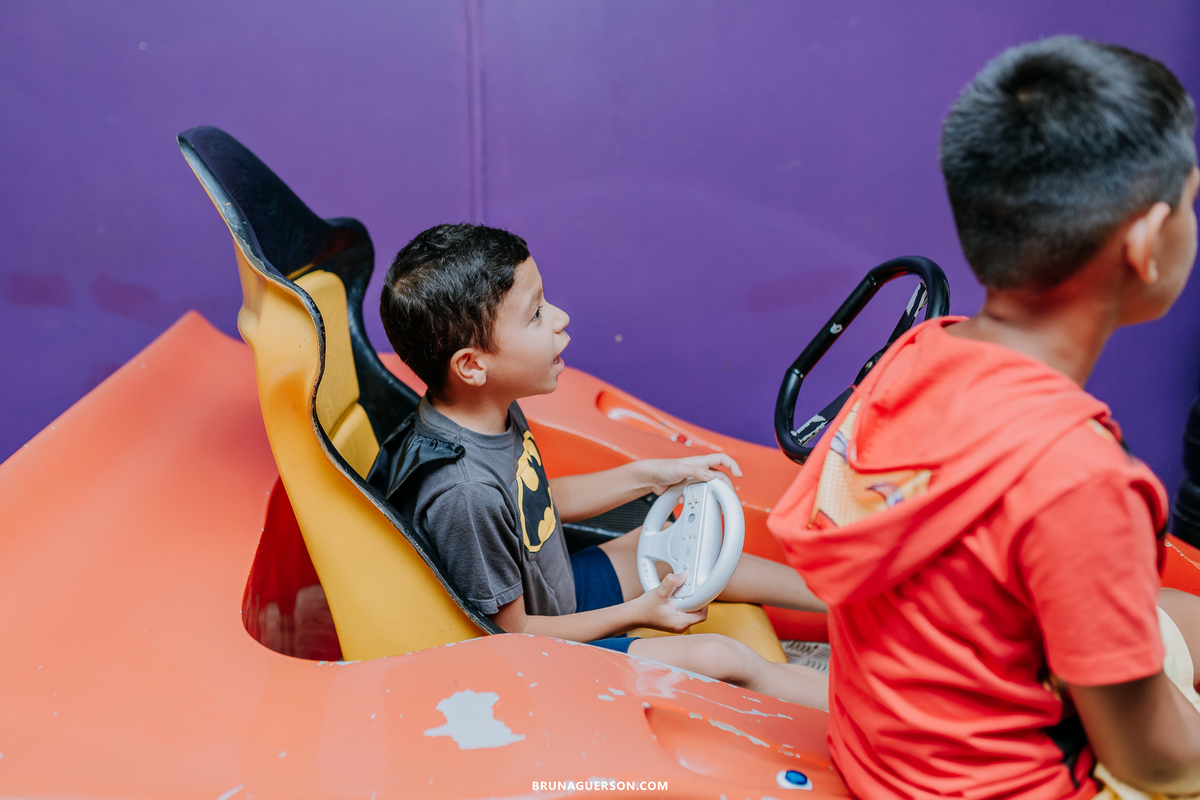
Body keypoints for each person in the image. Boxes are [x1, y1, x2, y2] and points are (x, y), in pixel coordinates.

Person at [768, 36, 1200, 799]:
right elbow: (1155, 763)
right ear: (1144, 243)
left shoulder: (911, 358)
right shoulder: (1080, 477)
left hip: (891, 760)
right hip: (1019, 784)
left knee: (1176, 614)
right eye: (1191, 204)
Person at [369, 222, 829, 709]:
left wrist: (652, 475)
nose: (561, 318)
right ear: (472, 366)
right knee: (723, 659)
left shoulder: (488, 411)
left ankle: (857, 601)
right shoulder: (463, 491)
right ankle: (881, 715)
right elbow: (514, 635)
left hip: (559, 593)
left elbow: (537, 506)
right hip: (537, 657)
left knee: (698, 550)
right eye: (536, 314)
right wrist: (638, 612)